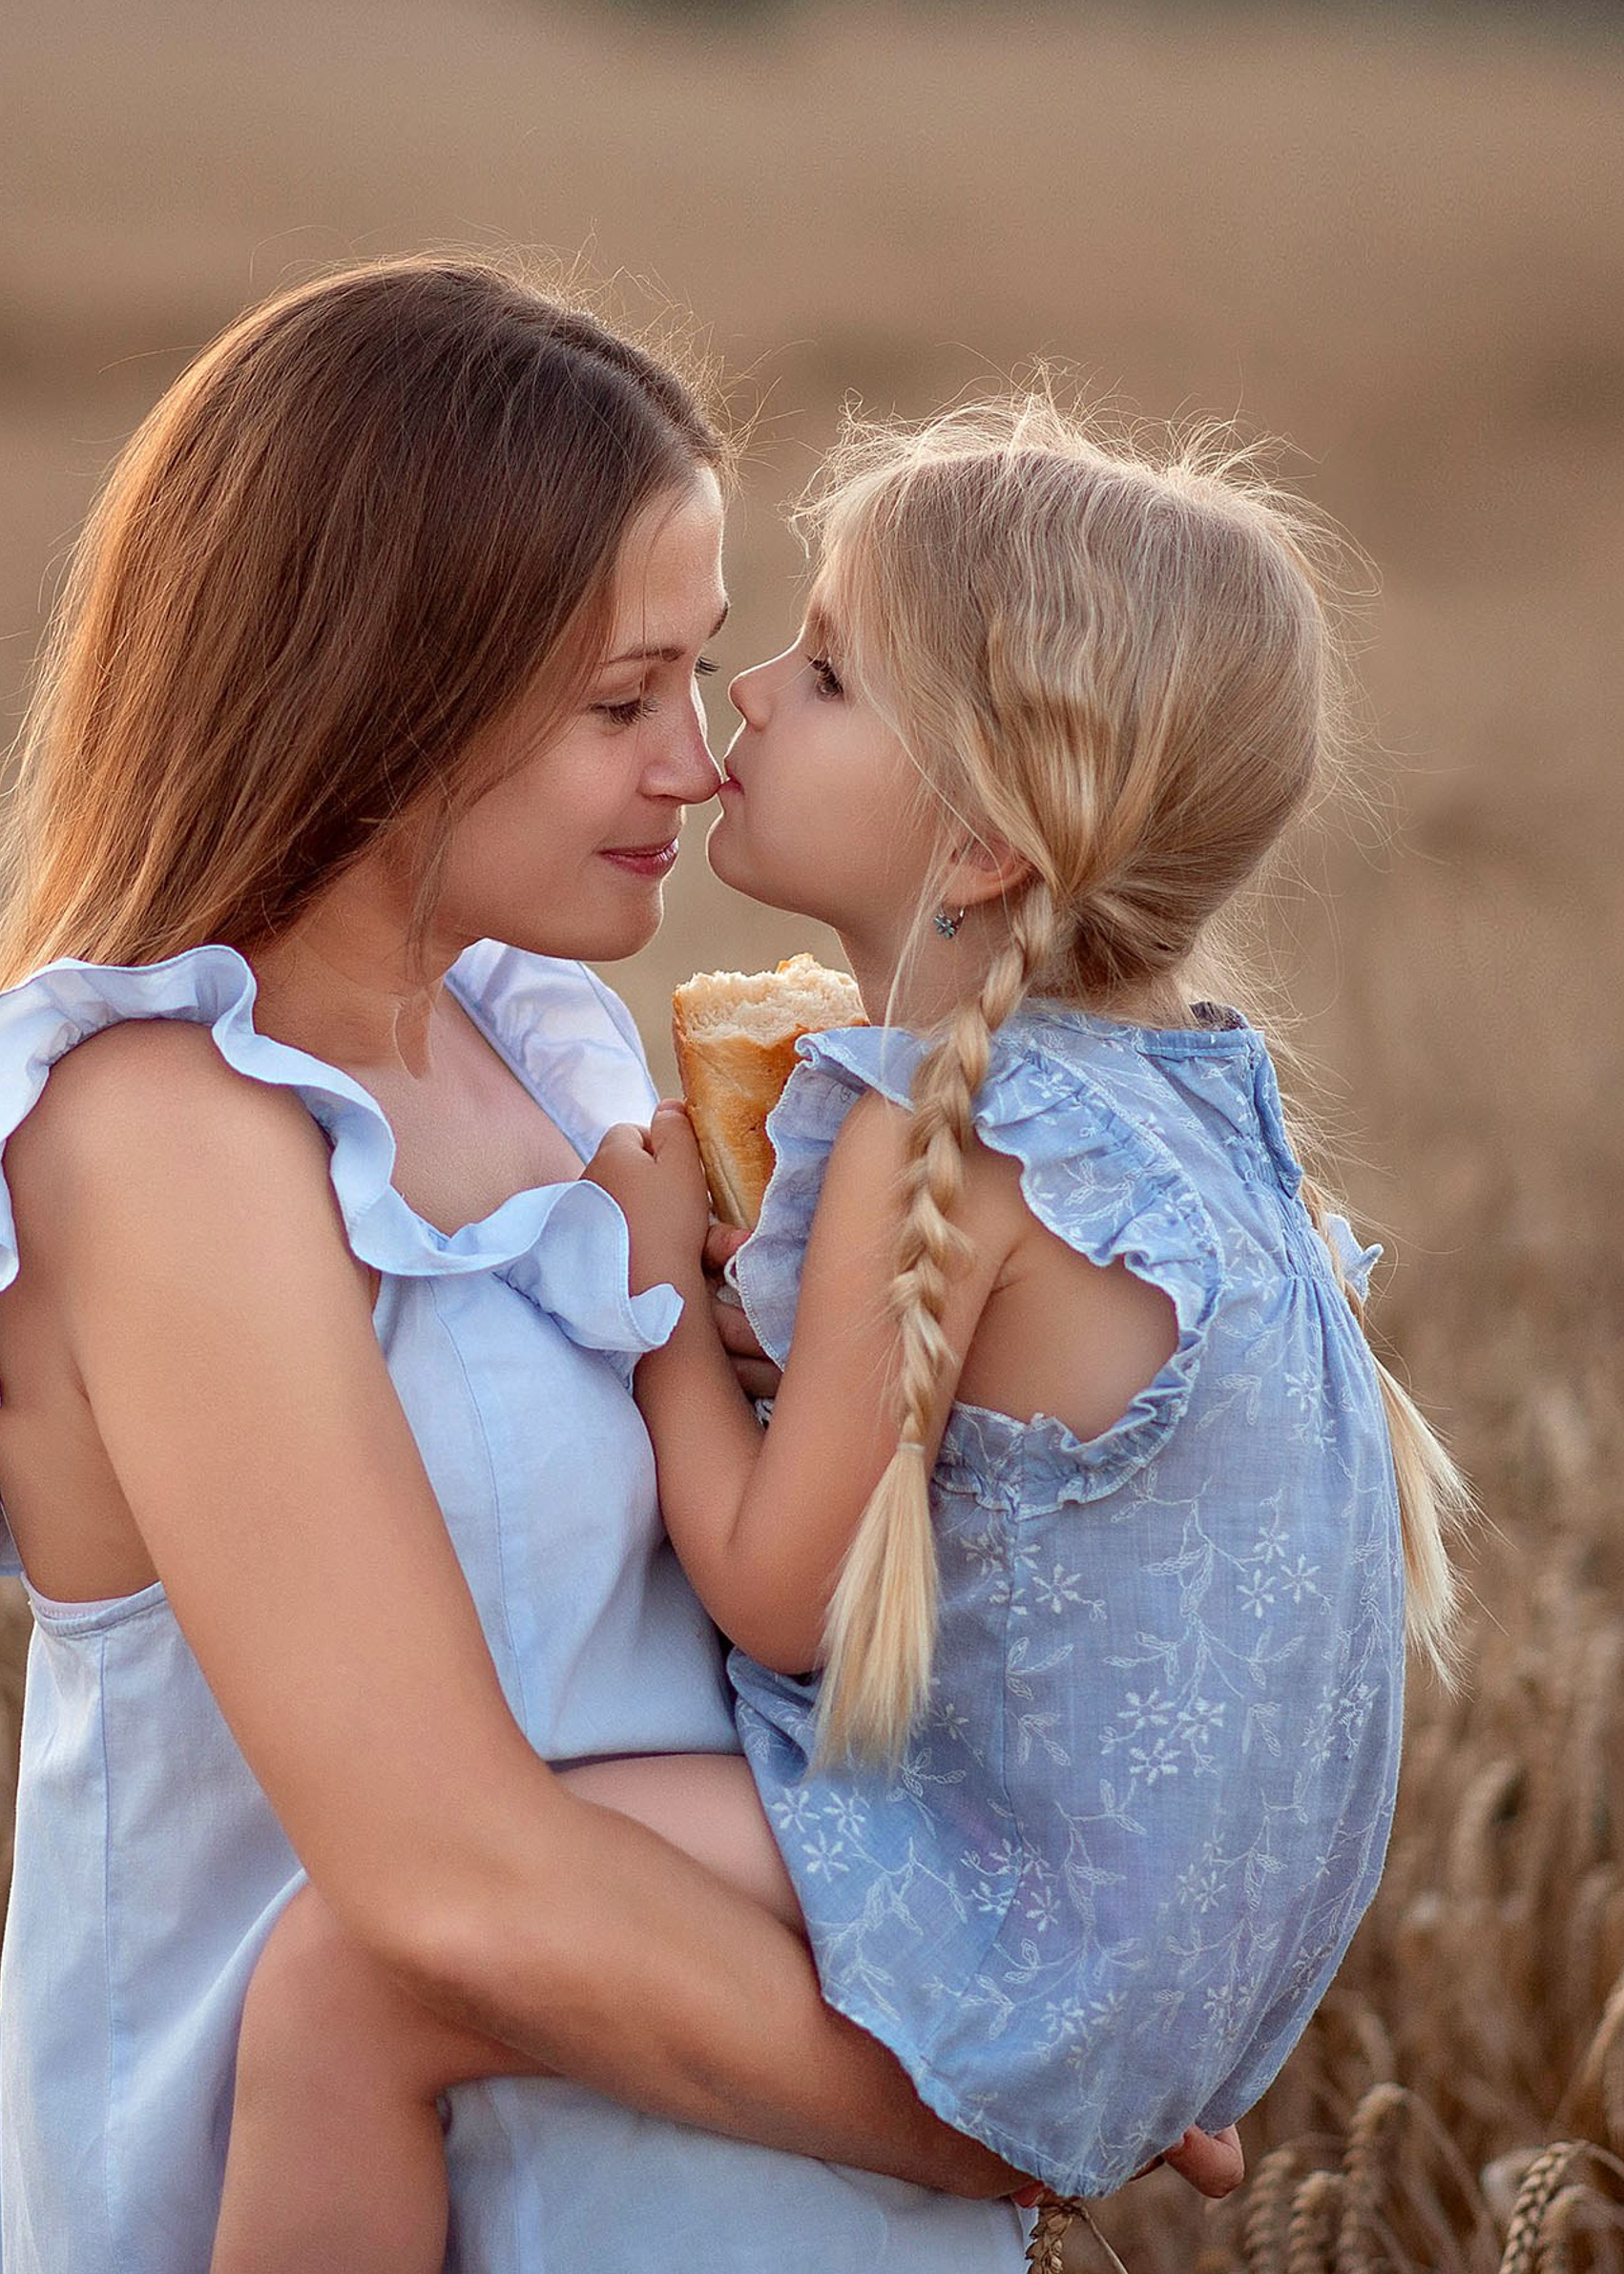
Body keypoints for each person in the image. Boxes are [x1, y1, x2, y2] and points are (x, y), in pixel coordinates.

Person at [0, 256, 1176, 2272]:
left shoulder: (558, 1061)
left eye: (697, 679)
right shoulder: (159, 1136)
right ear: (371, 687)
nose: (700, 761)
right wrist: (1003, 2098)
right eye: (616, 701)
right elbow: (447, 1879)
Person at [212, 395, 1473, 2269]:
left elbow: (776, 1594)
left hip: (1016, 1916)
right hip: (1195, 1963)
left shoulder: (927, 1134)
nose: (739, 705)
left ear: (973, 841)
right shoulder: (1204, 1105)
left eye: (817, 673)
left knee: (358, 1967)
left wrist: (651, 1291)